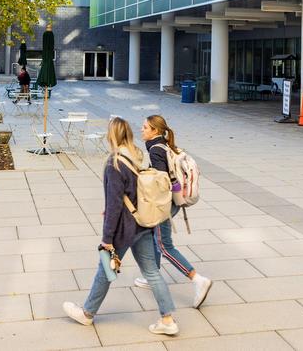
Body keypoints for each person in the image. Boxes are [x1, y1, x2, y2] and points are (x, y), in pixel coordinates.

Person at [62, 117, 179, 336]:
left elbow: (115, 205)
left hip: (124, 228)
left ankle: (87, 314)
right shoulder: (135, 155)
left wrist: (107, 239)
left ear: (111, 135)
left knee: (105, 269)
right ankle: (168, 319)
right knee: (152, 272)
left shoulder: (114, 163)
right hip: (143, 223)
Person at [136, 115, 212, 308]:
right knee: (154, 236)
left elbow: (162, 181)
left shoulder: (155, 150)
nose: (141, 130)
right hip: (173, 201)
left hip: (165, 204)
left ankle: (197, 279)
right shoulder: (164, 144)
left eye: (145, 127)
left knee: (164, 245)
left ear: (155, 131)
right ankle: (152, 275)